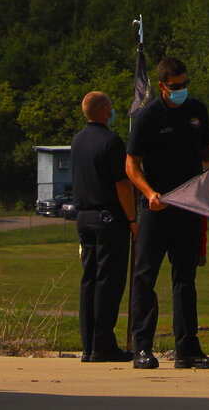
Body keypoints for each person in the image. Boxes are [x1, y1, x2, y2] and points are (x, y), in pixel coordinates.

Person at [125, 56, 209, 370]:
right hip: (158, 206)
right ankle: (141, 347)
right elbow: (131, 163)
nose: (182, 90)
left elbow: (205, 152)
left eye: (185, 84)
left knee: (186, 278)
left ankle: (187, 348)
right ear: (162, 86)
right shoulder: (148, 117)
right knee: (145, 276)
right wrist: (148, 193)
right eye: (176, 86)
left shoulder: (197, 111)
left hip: (190, 205)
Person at [71, 91, 137, 363]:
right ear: (103, 111)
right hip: (108, 217)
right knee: (108, 281)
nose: (113, 111)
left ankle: (88, 343)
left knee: (89, 279)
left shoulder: (78, 141)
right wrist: (133, 220)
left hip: (84, 216)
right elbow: (122, 186)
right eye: (109, 107)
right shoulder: (111, 142)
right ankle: (103, 344)